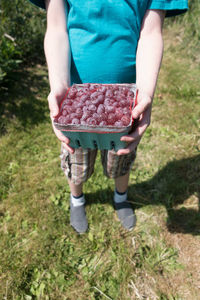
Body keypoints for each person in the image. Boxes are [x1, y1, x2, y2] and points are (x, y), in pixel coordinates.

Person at [28, 0, 188, 233]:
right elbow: (56, 29)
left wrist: (145, 92)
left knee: (120, 157)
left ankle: (121, 197)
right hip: (76, 103)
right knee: (76, 159)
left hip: (124, 104)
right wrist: (59, 85)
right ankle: (77, 199)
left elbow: (151, 32)